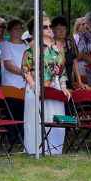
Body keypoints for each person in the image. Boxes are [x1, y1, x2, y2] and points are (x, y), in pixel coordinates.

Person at [22, 15, 66, 155]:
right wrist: (34, 85)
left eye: (50, 26)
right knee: (35, 119)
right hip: (36, 86)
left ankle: (54, 149)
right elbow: (25, 69)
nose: (49, 29)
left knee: (55, 117)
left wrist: (64, 86)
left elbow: (62, 70)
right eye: (45, 26)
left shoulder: (58, 46)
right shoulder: (32, 46)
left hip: (54, 87)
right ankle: (34, 149)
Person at [50, 16, 82, 91]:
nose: (61, 31)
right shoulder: (49, 45)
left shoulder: (69, 43)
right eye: (58, 29)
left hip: (69, 83)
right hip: (55, 85)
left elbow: (75, 63)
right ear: (53, 29)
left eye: (63, 29)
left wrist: (80, 82)